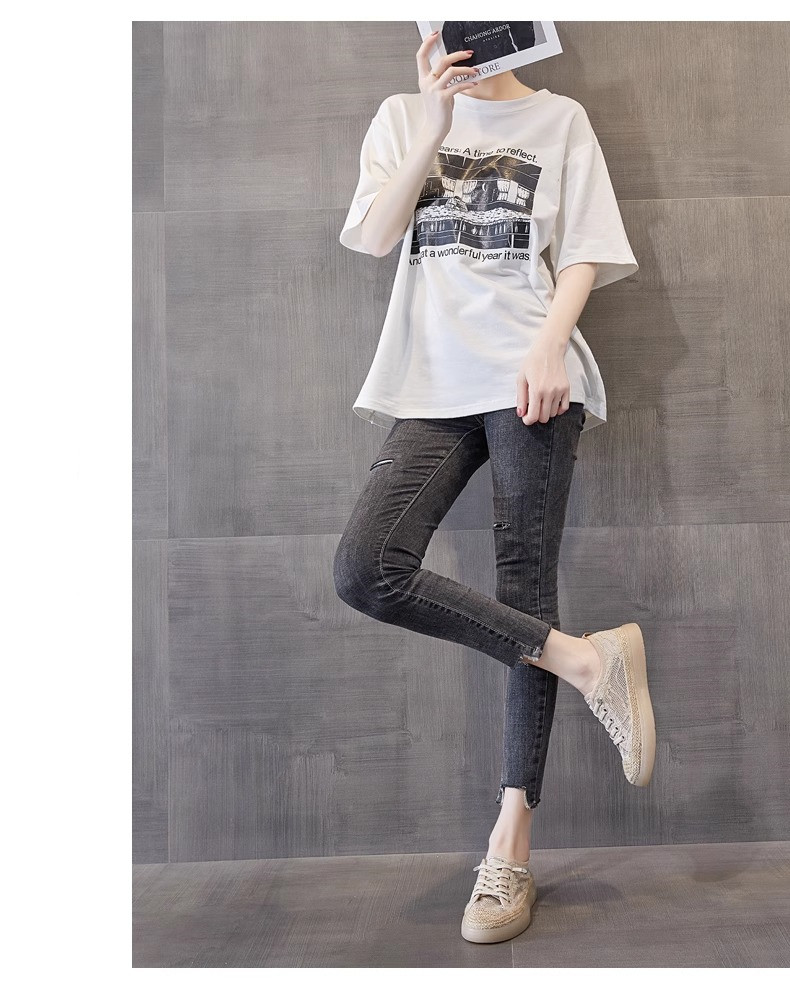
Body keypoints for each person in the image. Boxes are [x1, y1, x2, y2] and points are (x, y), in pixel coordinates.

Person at [333, 26, 656, 945]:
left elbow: (585, 249)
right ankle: (588, 660)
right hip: (431, 387)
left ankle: (509, 850)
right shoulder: (403, 116)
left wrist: (552, 346)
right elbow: (374, 236)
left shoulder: (561, 119)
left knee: (524, 590)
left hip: (530, 378)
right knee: (366, 566)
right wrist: (435, 122)